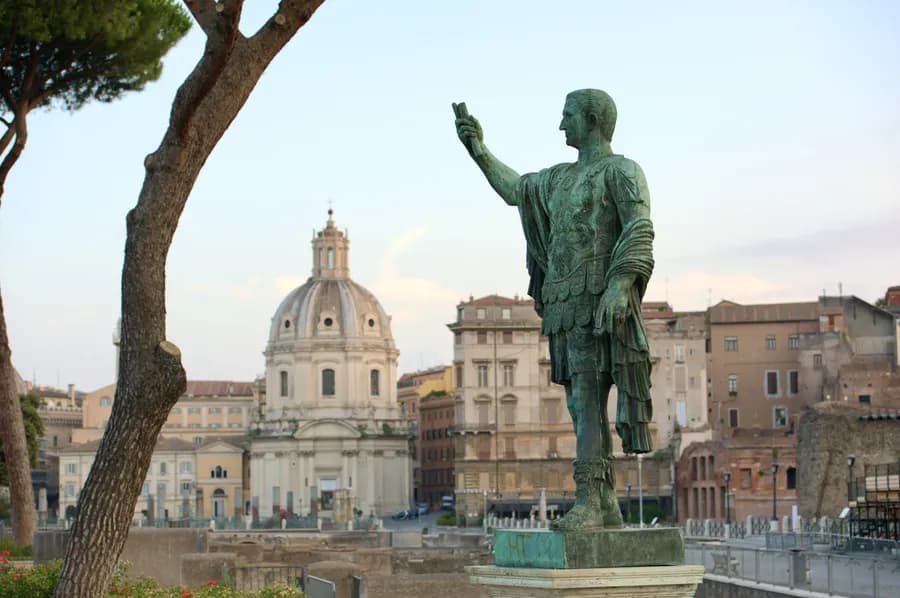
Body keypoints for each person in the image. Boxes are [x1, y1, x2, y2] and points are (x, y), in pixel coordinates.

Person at [453, 89, 655, 530]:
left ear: (592, 120)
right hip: (567, 303)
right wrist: (479, 151)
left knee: (585, 401)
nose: (561, 125)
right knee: (581, 405)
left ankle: (591, 501)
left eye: (567, 116)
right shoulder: (558, 179)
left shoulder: (622, 172)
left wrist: (621, 285)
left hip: (599, 299)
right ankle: (603, 505)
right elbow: (515, 190)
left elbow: (640, 226)